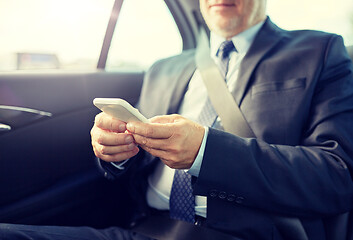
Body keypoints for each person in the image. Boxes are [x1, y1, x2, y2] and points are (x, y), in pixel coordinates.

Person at [1, 0, 353, 239]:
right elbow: (128, 160)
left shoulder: (319, 52)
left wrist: (206, 152)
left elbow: (337, 178)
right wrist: (117, 152)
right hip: (144, 229)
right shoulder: (164, 68)